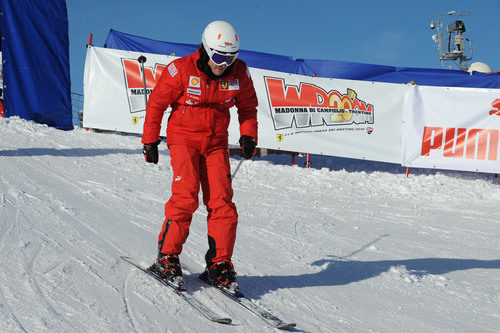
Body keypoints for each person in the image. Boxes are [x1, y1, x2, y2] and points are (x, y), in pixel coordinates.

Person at [141, 21, 258, 292]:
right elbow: (157, 104)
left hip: (216, 142)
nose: (224, 64)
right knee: (186, 196)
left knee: (222, 202)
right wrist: (150, 140)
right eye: (219, 57)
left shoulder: (239, 73)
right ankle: (167, 257)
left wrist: (248, 134)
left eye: (231, 57)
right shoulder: (180, 70)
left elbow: (248, 107)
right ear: (206, 50)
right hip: (184, 138)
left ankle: (219, 264)